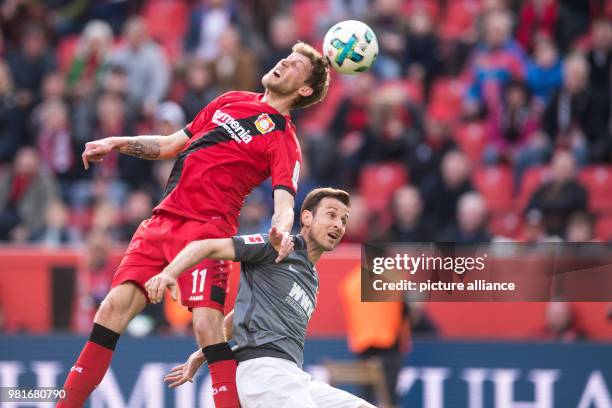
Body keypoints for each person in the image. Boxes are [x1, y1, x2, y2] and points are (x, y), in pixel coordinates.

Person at [58, 42, 330, 408]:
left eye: (295, 65)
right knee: (110, 310)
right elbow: (171, 144)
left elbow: (284, 202)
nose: (283, 61)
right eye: (286, 56)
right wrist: (117, 142)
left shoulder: (284, 140)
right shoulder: (230, 99)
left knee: (206, 327)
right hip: (162, 221)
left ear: (304, 90)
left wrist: (280, 228)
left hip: (208, 230)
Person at [145, 188, 375, 408]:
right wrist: (169, 272)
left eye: (344, 220)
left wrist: (200, 355)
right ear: (306, 217)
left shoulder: (313, 278)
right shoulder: (275, 246)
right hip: (264, 374)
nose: (338, 224)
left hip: (293, 376)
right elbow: (204, 246)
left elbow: (239, 318)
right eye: (331, 215)